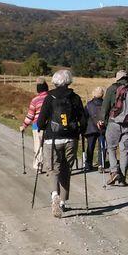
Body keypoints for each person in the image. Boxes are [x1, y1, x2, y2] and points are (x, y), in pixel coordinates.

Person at [35, 69, 86, 218]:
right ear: (69, 81)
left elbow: (40, 121)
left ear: (55, 81)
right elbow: (83, 121)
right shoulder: (75, 98)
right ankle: (63, 202)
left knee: (54, 169)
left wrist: (44, 128)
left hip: (52, 139)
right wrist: (80, 131)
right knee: (66, 169)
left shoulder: (49, 97)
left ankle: (54, 195)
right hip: (71, 138)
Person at [102, 70, 128, 186]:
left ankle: (114, 171)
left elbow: (105, 107)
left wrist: (105, 122)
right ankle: (122, 179)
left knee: (111, 148)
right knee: (125, 151)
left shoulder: (112, 88)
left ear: (118, 78)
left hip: (114, 122)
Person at [19, 78, 49, 174]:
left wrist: (24, 126)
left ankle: (38, 167)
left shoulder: (35, 100)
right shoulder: (51, 98)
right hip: (50, 127)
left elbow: (30, 116)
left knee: (38, 146)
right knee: (50, 147)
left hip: (37, 127)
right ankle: (51, 168)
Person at [83, 86, 106, 172]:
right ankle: (101, 164)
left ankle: (88, 164)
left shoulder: (89, 105)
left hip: (91, 129)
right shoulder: (105, 104)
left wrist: (83, 128)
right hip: (102, 128)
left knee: (90, 147)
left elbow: (85, 117)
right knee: (102, 147)